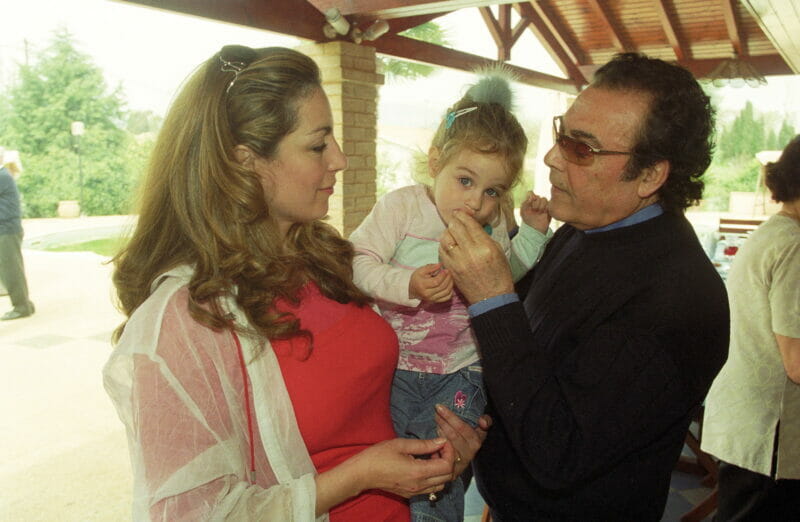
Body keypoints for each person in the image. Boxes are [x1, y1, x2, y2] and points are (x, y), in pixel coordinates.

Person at [103, 45, 489, 521]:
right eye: (317, 145)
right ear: (245, 161)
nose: (340, 159)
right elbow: (193, 514)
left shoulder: (326, 260)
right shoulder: (187, 318)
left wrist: (438, 454)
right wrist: (359, 476)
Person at [438, 52, 730, 520]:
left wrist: (492, 298)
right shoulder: (583, 230)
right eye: (562, 135)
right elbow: (527, 354)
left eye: (582, 149)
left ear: (650, 175)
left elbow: (560, 451)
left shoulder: (679, 299)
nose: (552, 157)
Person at [348, 72, 551, 521]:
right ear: (436, 160)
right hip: (394, 369)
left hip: (461, 371)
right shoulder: (403, 207)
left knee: (441, 466)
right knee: (389, 464)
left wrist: (533, 235)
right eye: (465, 180)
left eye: (492, 191)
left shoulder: (491, 225)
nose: (475, 202)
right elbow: (355, 262)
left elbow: (505, 277)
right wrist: (407, 284)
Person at [701, 135, 800, 521]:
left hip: (751, 420)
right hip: (770, 429)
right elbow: (796, 363)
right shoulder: (794, 245)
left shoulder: (777, 232)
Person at [0, 148, 35, 321]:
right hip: (7, 229)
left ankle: (21, 307)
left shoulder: (2, 177)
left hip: (7, 230)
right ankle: (25, 304)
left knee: (11, 270)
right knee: (12, 269)